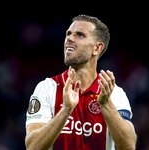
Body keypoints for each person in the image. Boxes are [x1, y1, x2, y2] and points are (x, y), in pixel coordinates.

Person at [25, 15, 137, 150]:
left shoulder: (114, 93)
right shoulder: (47, 88)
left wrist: (106, 105)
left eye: (80, 35)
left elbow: (128, 146)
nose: (69, 38)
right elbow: (32, 146)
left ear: (97, 48)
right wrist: (65, 110)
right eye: (69, 33)